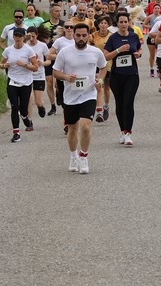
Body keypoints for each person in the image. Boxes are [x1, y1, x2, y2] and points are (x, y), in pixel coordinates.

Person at [52, 23, 107, 174]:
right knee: (72, 129)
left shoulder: (95, 52)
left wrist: (100, 80)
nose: (81, 38)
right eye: (78, 35)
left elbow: (103, 67)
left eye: (84, 35)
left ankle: (83, 156)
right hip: (70, 97)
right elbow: (55, 71)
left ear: (89, 35)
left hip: (89, 94)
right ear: (74, 36)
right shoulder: (65, 52)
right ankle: (73, 156)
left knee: (85, 126)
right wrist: (66, 77)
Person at [104, 11, 142, 145]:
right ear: (117, 23)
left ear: (129, 22)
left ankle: (128, 133)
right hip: (116, 76)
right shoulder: (113, 38)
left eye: (126, 22)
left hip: (132, 75)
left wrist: (138, 54)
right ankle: (122, 131)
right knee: (120, 104)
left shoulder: (133, 36)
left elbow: (139, 49)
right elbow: (105, 56)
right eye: (121, 22)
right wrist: (118, 50)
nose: (124, 24)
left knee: (128, 102)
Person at [0, 27, 39, 142]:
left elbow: (35, 67)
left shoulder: (28, 50)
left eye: (20, 36)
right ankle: (16, 133)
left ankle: (25, 117)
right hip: (12, 81)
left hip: (26, 82)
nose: (17, 38)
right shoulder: (8, 50)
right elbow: (0, 64)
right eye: (16, 36)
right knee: (14, 107)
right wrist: (5, 66)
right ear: (13, 37)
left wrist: (25, 65)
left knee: (23, 109)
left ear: (23, 37)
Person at [25, 26, 51, 118]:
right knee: (29, 100)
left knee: (38, 102)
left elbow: (49, 61)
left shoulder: (42, 46)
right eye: (29, 36)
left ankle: (41, 107)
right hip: (27, 76)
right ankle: (29, 121)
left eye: (33, 36)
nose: (31, 39)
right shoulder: (24, 46)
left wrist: (42, 63)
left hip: (39, 75)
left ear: (37, 35)